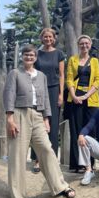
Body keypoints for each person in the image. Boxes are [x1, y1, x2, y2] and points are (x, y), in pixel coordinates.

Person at [3, 45, 75, 198]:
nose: (29, 57)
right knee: (17, 156)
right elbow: (8, 95)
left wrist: (46, 119)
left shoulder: (41, 75)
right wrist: (10, 119)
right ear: (22, 57)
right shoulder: (15, 73)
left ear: (36, 58)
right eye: (26, 55)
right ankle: (17, 197)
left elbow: (46, 99)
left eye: (32, 55)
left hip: (38, 116)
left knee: (47, 149)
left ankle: (60, 186)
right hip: (20, 114)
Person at [65, 34, 99, 172]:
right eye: (82, 44)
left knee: (90, 131)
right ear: (78, 45)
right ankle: (76, 164)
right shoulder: (73, 60)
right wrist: (74, 95)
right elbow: (69, 79)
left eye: (87, 43)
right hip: (75, 96)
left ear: (90, 45)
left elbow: (97, 80)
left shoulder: (95, 61)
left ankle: (89, 164)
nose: (84, 46)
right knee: (76, 130)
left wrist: (86, 95)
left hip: (90, 98)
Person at [31, 28, 65, 173]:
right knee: (38, 124)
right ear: (41, 38)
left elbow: (62, 75)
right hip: (38, 89)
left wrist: (61, 94)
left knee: (53, 124)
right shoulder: (37, 54)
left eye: (50, 37)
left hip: (53, 89)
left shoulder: (59, 54)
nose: (48, 39)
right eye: (45, 37)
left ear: (54, 38)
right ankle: (37, 159)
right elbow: (31, 72)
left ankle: (52, 158)